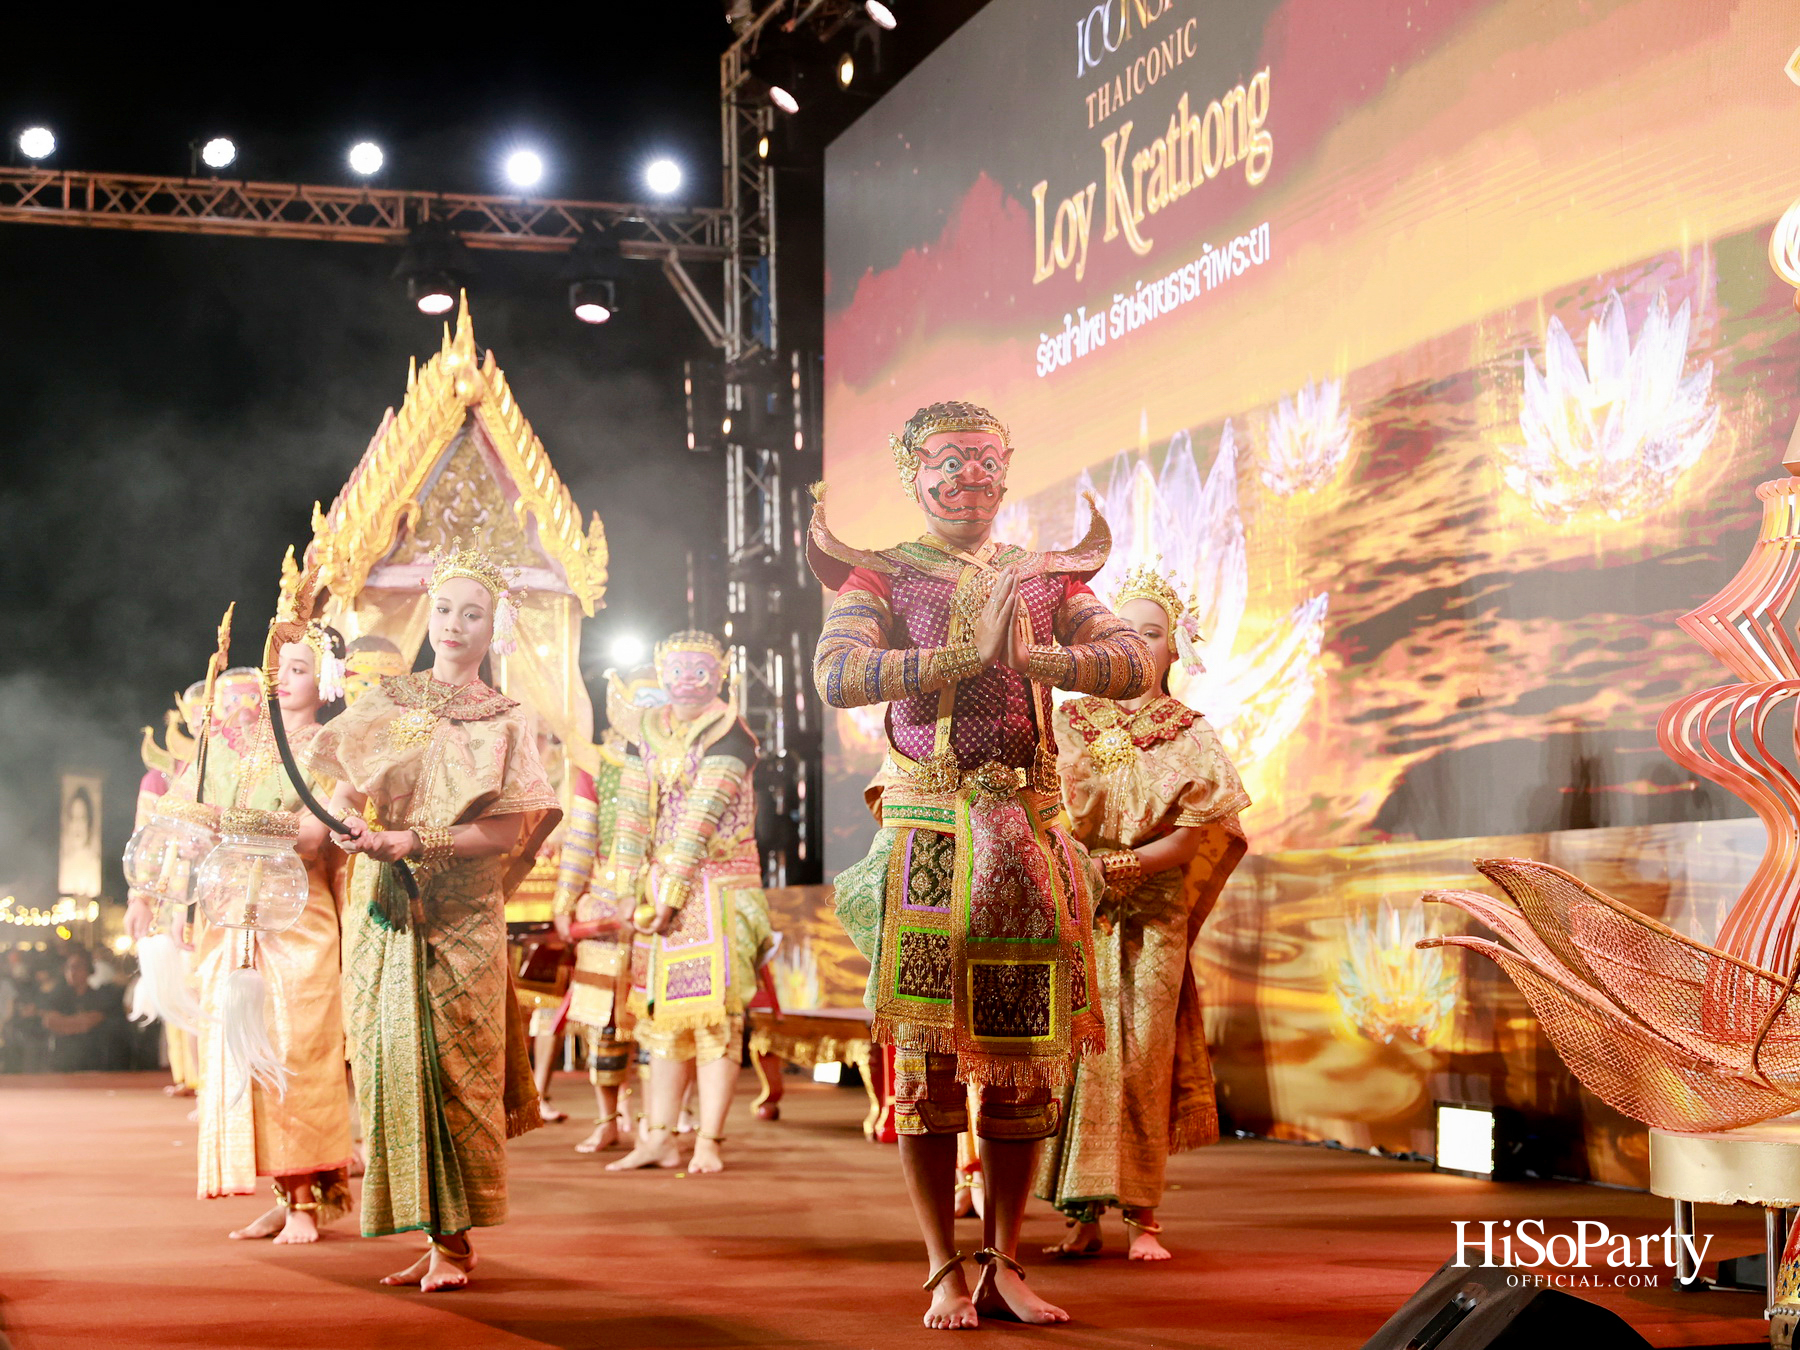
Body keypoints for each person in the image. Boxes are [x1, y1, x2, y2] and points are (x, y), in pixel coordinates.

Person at [811, 400, 1153, 1329]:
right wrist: (963, 655)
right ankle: (941, 1266)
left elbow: (1132, 663)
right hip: (929, 834)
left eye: (986, 463)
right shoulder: (882, 574)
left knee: (1022, 1066)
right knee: (926, 1069)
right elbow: (837, 674)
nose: (970, 479)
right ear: (912, 474)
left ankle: (1004, 1260)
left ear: (1007, 471)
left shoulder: (1045, 578)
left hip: (1027, 838)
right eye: (948, 463)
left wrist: (1041, 657)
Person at [307, 545, 560, 1292]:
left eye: (472, 614)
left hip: (461, 915)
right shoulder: (386, 702)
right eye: (444, 609)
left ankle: (455, 1242)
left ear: (494, 627)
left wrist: (415, 840)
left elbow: (507, 832)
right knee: (387, 1060)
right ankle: (435, 1236)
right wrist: (351, 824)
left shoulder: (508, 719)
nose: (453, 625)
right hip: (383, 907)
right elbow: (343, 792)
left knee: (455, 1064)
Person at [1034, 564, 1249, 1260]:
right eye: (1123, 632)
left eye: (1151, 633)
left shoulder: (1189, 732)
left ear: (1173, 647)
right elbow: (1042, 810)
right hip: (1077, 903)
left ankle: (1143, 1217)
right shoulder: (1066, 721)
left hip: (1152, 910)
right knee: (1075, 1053)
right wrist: (1076, 868)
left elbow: (1194, 836)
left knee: (1142, 1055)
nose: (1136, 643)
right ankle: (1080, 1214)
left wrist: (1118, 867)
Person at [186, 624, 357, 1245]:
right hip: (237, 920)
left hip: (298, 920)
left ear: (328, 680)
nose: (283, 680)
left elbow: (312, 837)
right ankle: (285, 1196)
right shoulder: (245, 747)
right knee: (245, 1055)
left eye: (300, 669)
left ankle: (308, 1200)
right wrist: (202, 832)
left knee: (297, 1055)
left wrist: (231, 824)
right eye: (278, 668)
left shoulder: (335, 750)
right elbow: (205, 816)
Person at [605, 632, 773, 1175]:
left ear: (719, 674)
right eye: (676, 669)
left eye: (699, 670)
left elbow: (701, 821)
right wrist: (625, 890)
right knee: (663, 1020)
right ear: (660, 672)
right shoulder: (646, 730)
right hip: (661, 888)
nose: (686, 680)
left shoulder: (731, 732)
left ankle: (708, 1141)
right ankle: (658, 1137)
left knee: (715, 1018)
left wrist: (670, 895)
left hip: (720, 886)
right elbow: (631, 816)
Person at [553, 715, 639, 1154]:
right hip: (606, 908)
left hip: (660, 905)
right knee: (601, 1023)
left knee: (660, 1024)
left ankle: (662, 1119)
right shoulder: (598, 765)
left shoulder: (677, 757)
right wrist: (565, 900)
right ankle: (607, 1121)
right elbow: (581, 838)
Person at [42, 947, 129, 1071]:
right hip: (63, 1062)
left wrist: (65, 1023)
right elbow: (50, 1021)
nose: (72, 972)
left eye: (77, 967)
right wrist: (75, 1023)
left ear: (88, 970)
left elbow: (88, 1022)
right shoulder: (59, 997)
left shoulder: (99, 997)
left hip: (92, 1060)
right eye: (69, 968)